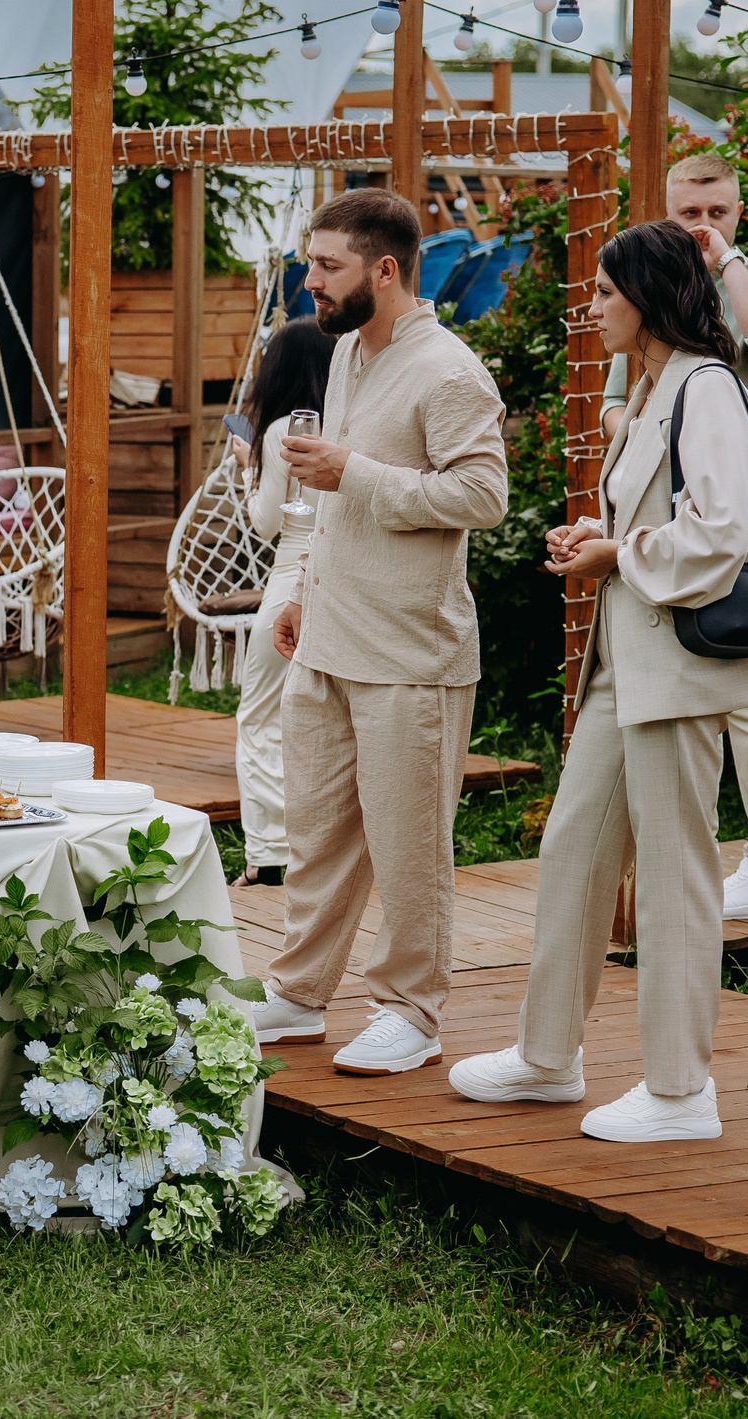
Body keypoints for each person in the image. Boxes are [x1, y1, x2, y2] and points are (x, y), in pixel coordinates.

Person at [451, 220, 748, 1142]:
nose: (591, 307)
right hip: (628, 664)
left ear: (649, 300)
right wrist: (601, 537)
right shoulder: (659, 386)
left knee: (673, 871)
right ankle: (548, 1057)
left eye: (605, 293)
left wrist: (617, 553)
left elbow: (720, 534)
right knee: (572, 849)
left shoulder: (707, 385)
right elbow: (665, 517)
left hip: (681, 669)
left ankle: (680, 1090)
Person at [252, 189, 510, 1075]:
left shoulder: (450, 371)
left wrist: (353, 471)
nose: (310, 281)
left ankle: (411, 1011)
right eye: (311, 262)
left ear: (386, 270)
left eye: (328, 266)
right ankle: (298, 993)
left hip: (410, 651)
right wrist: (303, 591)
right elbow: (336, 498)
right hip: (329, 634)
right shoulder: (346, 352)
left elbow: (483, 496)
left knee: (408, 849)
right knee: (317, 833)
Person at [601, 154, 748, 923]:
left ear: (738, 211)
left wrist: (725, 264)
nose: (701, 225)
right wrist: (651, 449)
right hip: (664, 520)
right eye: (687, 213)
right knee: (685, 683)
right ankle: (694, 865)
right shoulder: (644, 289)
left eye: (716, 212)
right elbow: (618, 402)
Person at [227, 318, 337, 882]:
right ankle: (321, 849)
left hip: (292, 579)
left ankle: (270, 853)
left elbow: (268, 522)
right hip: (344, 580)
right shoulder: (345, 426)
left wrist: (251, 466)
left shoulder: (278, 434)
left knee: (261, 715)